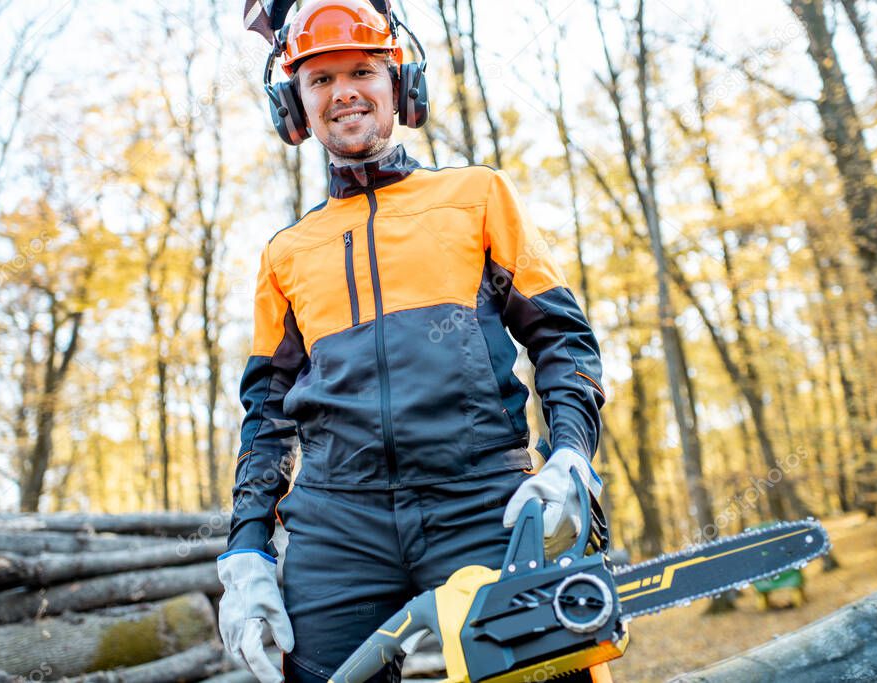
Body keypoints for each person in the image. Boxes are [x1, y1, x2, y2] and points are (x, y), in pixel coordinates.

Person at [219, 1, 607, 681]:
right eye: (320, 78)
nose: (343, 91)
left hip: (481, 497)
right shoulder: (285, 252)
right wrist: (246, 548)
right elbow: (267, 413)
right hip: (337, 521)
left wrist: (568, 455)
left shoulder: (477, 194)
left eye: (363, 69)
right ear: (294, 105)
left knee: (550, 668)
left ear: (401, 85)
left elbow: (559, 337)